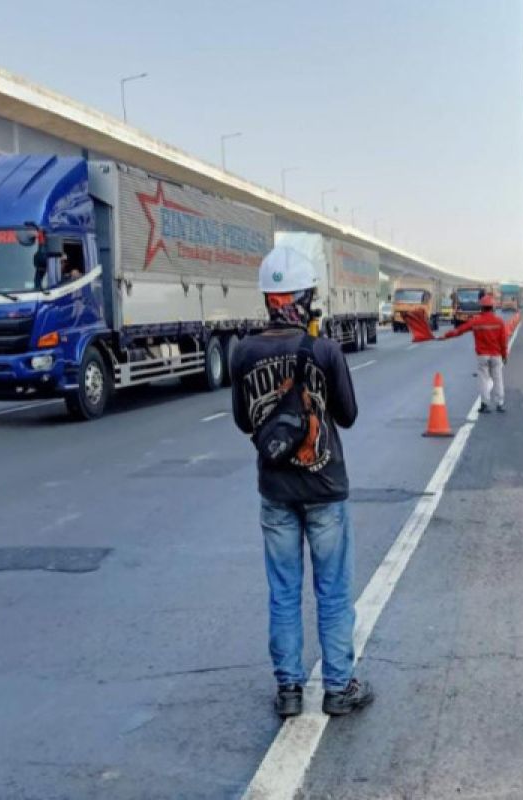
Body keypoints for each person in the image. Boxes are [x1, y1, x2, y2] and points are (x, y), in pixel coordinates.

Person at [230, 245, 374, 719]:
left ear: (269, 298)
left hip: (275, 491)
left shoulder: (244, 352)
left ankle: (289, 689)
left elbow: (242, 420)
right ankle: (338, 689)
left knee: (284, 591)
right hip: (325, 489)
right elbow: (348, 417)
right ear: (301, 299)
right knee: (332, 593)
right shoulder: (325, 350)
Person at [442, 293, 508, 413]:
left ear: (481, 308)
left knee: (483, 379)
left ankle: (485, 404)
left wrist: (445, 336)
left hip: (482, 355)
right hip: (496, 355)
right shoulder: (499, 322)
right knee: (498, 378)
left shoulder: (476, 321)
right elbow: (503, 341)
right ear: (492, 307)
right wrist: (504, 355)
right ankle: (500, 403)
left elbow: (459, 331)